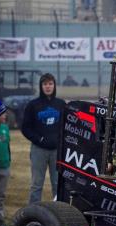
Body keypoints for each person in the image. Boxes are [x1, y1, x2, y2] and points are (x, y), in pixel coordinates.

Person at [22, 73, 65, 203]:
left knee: (58, 184)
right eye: (45, 84)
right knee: (36, 184)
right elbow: (25, 128)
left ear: (54, 86)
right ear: (41, 86)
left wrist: (60, 141)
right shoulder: (32, 105)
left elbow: (67, 126)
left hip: (57, 151)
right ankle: (33, 213)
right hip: (38, 150)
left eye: (50, 84)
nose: (48, 86)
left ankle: (59, 212)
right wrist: (39, 139)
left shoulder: (61, 104)